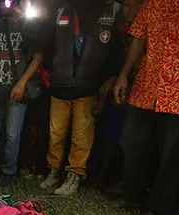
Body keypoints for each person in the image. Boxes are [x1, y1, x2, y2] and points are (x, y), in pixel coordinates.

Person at [113, 0, 179, 215]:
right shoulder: (153, 4)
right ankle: (132, 195)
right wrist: (123, 75)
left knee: (172, 157)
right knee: (132, 141)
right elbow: (138, 40)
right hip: (147, 86)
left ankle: (158, 212)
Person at [39, 0, 121, 196]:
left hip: (89, 85)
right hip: (60, 83)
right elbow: (48, 44)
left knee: (81, 137)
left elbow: (116, 49)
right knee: (55, 134)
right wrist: (49, 72)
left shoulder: (110, 9)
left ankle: (74, 175)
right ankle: (53, 171)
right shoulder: (61, 8)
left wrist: (110, 78)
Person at [0, 0, 44, 186]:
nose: (2, 4)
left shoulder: (29, 26)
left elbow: (38, 57)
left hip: (17, 89)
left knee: (12, 134)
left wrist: (21, 83)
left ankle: (9, 170)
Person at [94, 0, 144, 194]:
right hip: (116, 87)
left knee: (129, 139)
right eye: (124, 5)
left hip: (139, 91)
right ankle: (102, 177)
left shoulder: (147, 27)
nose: (128, 10)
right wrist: (112, 78)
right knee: (110, 132)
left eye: (132, 5)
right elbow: (112, 55)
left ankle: (120, 182)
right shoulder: (117, 25)